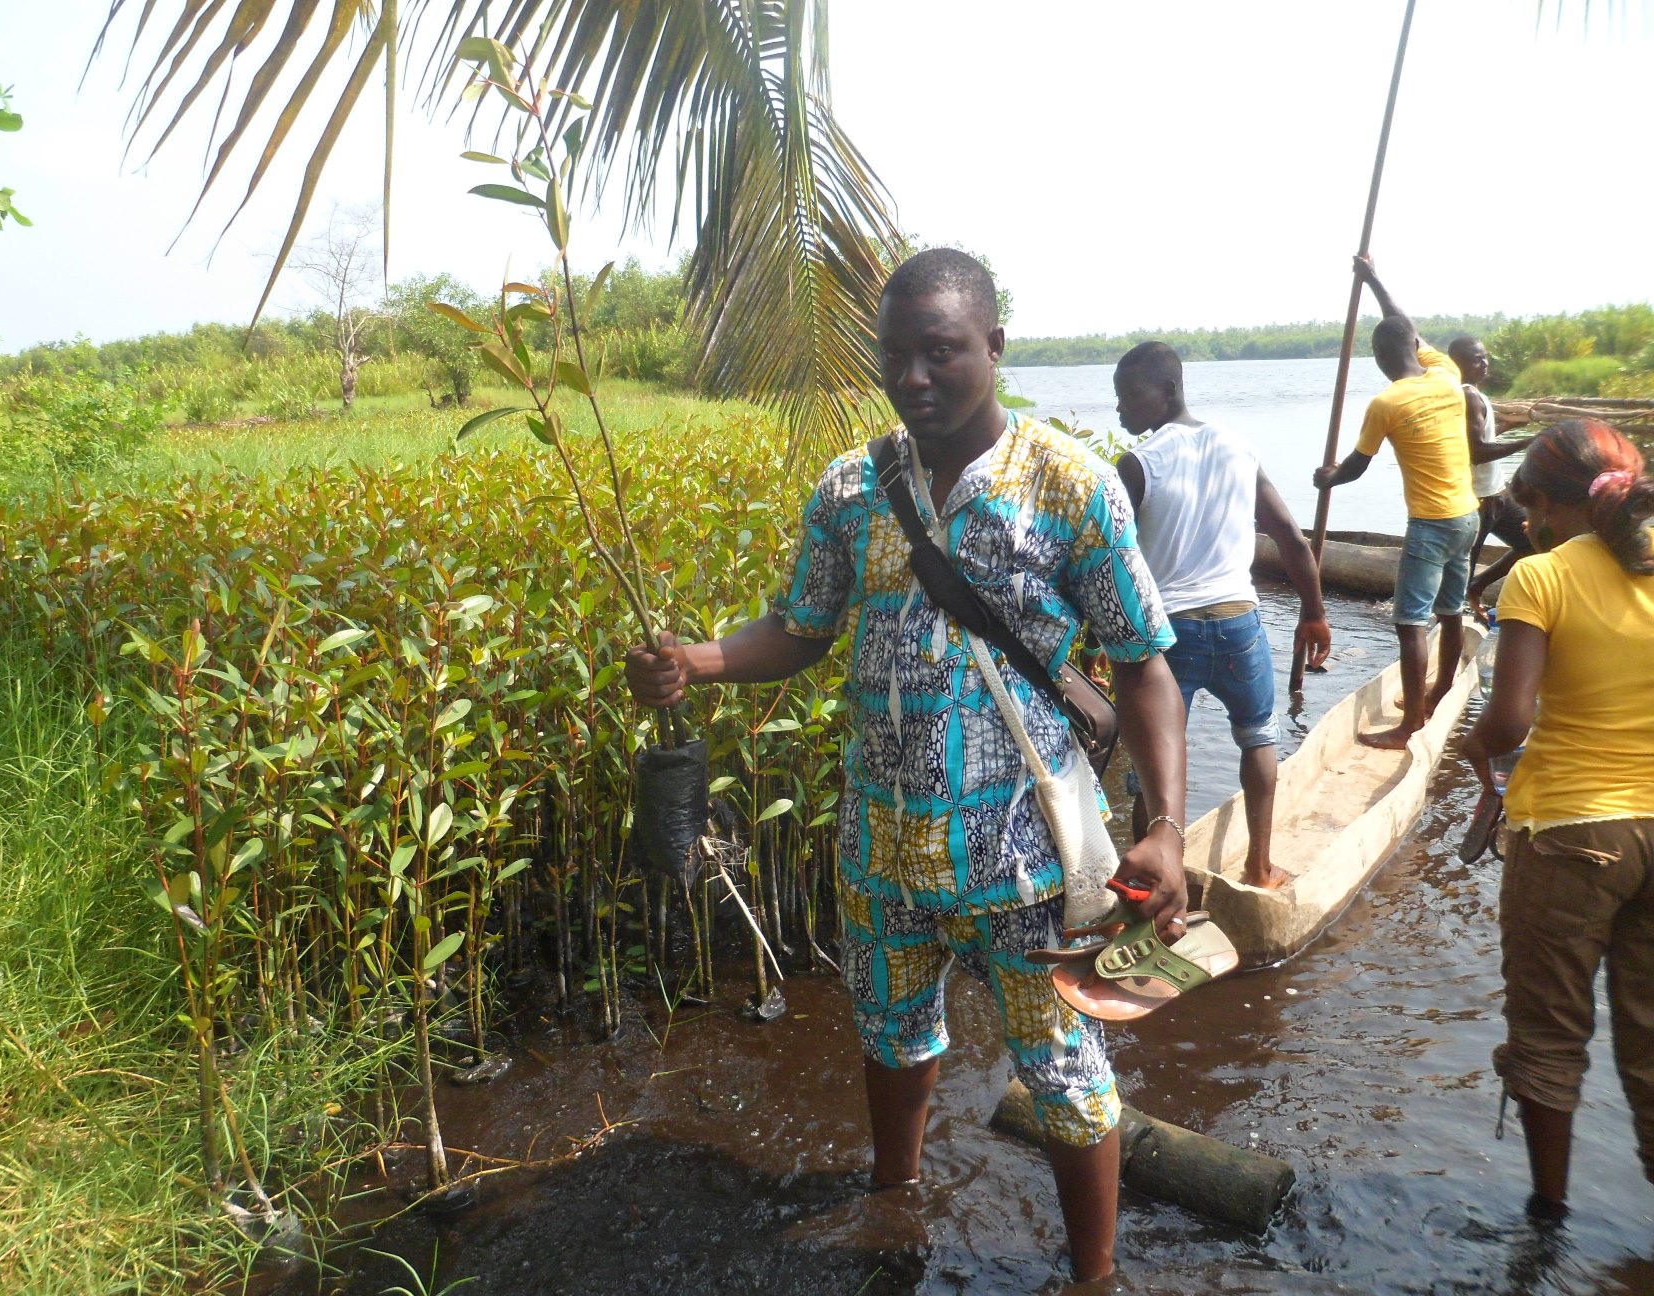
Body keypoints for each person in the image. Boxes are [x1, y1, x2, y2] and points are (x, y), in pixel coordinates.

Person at [622, 248, 1190, 1283]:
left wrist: (1166, 827)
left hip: (1030, 862)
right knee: (890, 1038)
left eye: (944, 353)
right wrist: (694, 663)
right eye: (899, 357)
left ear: (995, 348)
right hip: (881, 854)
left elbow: (1148, 666)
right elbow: (798, 630)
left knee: (1065, 1074)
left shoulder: (1071, 485)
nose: (917, 377)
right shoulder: (851, 487)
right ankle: (896, 1208)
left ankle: (1094, 1275)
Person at [1457, 420, 1654, 1216]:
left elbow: (1509, 722)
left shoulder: (1539, 578)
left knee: (1548, 1032)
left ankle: (1549, 1216)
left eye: (1529, 508)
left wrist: (1474, 754)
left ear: (1540, 505)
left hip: (1573, 832)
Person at [1113, 342, 1332, 890]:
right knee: (1258, 737)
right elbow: (1291, 539)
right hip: (1240, 624)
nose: (1120, 411)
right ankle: (1260, 865)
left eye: (1128, 397)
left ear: (1166, 392)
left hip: (1171, 634)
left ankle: (1148, 888)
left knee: (1153, 764)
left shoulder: (1140, 464)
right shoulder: (1239, 447)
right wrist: (1314, 612)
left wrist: (1104, 637)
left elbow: (1103, 555)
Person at [1312, 256, 1477, 750]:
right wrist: (1375, 280)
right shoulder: (1446, 374)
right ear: (1414, 347)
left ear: (1380, 360)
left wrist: (1327, 479)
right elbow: (1403, 324)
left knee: (1409, 623)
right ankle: (1438, 690)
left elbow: (1356, 467)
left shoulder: (1387, 403)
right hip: (1467, 516)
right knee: (1450, 613)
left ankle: (1409, 727)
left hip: (1430, 525)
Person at [1446, 334, 1535, 612]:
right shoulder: (1466, 394)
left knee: (1533, 542)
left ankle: (1477, 587)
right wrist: (1525, 443)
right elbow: (1476, 452)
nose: (1485, 363)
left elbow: (1480, 438)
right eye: (1476, 359)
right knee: (1461, 570)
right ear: (1457, 363)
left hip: (1498, 495)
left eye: (1486, 357)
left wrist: (1509, 426)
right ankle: (1450, 624)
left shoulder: (1475, 393)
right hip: (1476, 501)